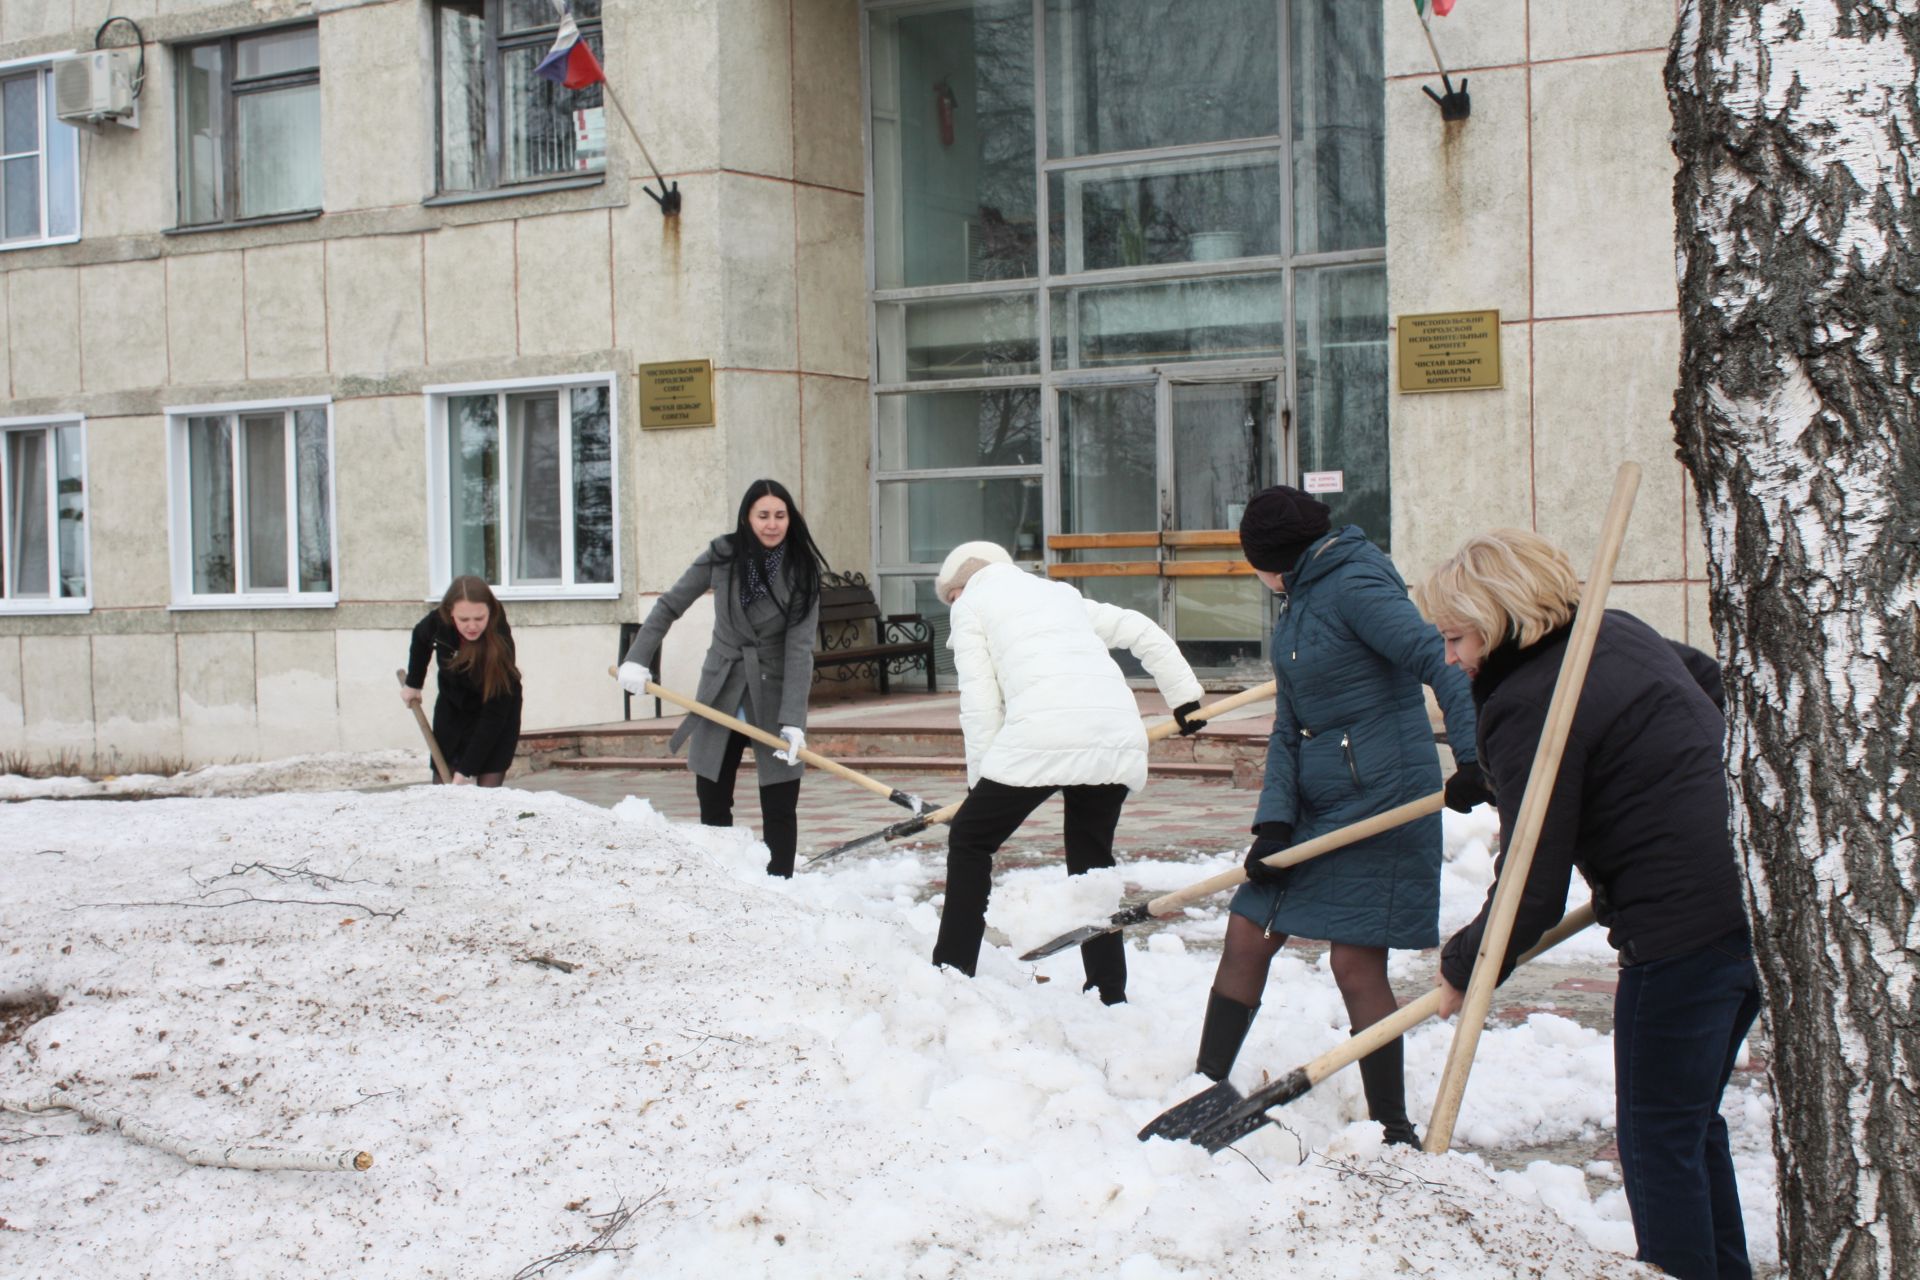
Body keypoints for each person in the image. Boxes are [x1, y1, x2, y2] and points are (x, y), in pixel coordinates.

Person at [1414, 528, 1757, 1280]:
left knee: (1657, 1139)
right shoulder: (1615, 631)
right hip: (1749, 907)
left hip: (1680, 930)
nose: (1449, 659)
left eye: (1457, 637)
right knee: (1689, 1125)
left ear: (1501, 619)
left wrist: (1463, 966)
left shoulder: (1530, 702)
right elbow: (1713, 683)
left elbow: (1530, 889)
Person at [1193, 486, 1481, 1148]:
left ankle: (1392, 1128)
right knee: (1247, 931)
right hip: (1317, 807)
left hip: (1383, 802)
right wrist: (1273, 822)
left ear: (1276, 557)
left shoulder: (1354, 585)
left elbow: (1446, 666)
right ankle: (1203, 1090)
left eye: (1256, 563)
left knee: (1356, 965)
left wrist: (1471, 759)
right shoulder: (1299, 600)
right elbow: (1291, 724)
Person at [929, 540, 1205, 1006]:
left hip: (1041, 737)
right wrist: (1185, 700)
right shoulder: (1060, 595)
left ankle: (952, 973)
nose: (952, 606)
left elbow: (979, 703)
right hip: (1114, 735)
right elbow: (1141, 630)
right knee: (1091, 858)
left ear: (961, 585)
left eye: (950, 596)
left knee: (971, 839)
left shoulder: (971, 604)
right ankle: (1107, 988)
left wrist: (979, 782)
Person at [617, 479, 827, 878]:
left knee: (780, 801)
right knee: (712, 793)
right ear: (747, 518)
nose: (771, 524)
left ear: (790, 518)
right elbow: (669, 605)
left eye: (779, 515)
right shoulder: (723, 555)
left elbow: (801, 650)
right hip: (723, 684)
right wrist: (637, 658)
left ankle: (780, 883)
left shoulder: (801, 569)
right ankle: (719, 880)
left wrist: (794, 720)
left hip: (774, 689)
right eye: (762, 515)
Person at [401, 576, 523, 787]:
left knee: (487, 795)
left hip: (495, 715)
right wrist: (414, 683)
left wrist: (466, 771)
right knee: (443, 790)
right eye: (464, 620)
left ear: (490, 612)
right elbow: (421, 638)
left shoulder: (500, 645)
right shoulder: (438, 622)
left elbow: (493, 716)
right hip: (453, 708)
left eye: (479, 618)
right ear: (450, 613)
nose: (472, 626)